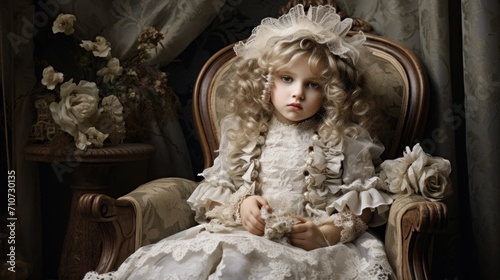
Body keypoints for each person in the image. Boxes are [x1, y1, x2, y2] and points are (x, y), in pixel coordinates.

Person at [84, 4, 395, 279]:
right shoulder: (244, 131)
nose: (297, 92)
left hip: (313, 247)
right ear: (266, 81)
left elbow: (361, 211)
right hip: (246, 234)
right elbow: (216, 192)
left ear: (331, 92)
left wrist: (323, 233)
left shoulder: (346, 141)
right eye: (287, 78)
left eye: (312, 84)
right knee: (222, 260)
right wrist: (242, 205)